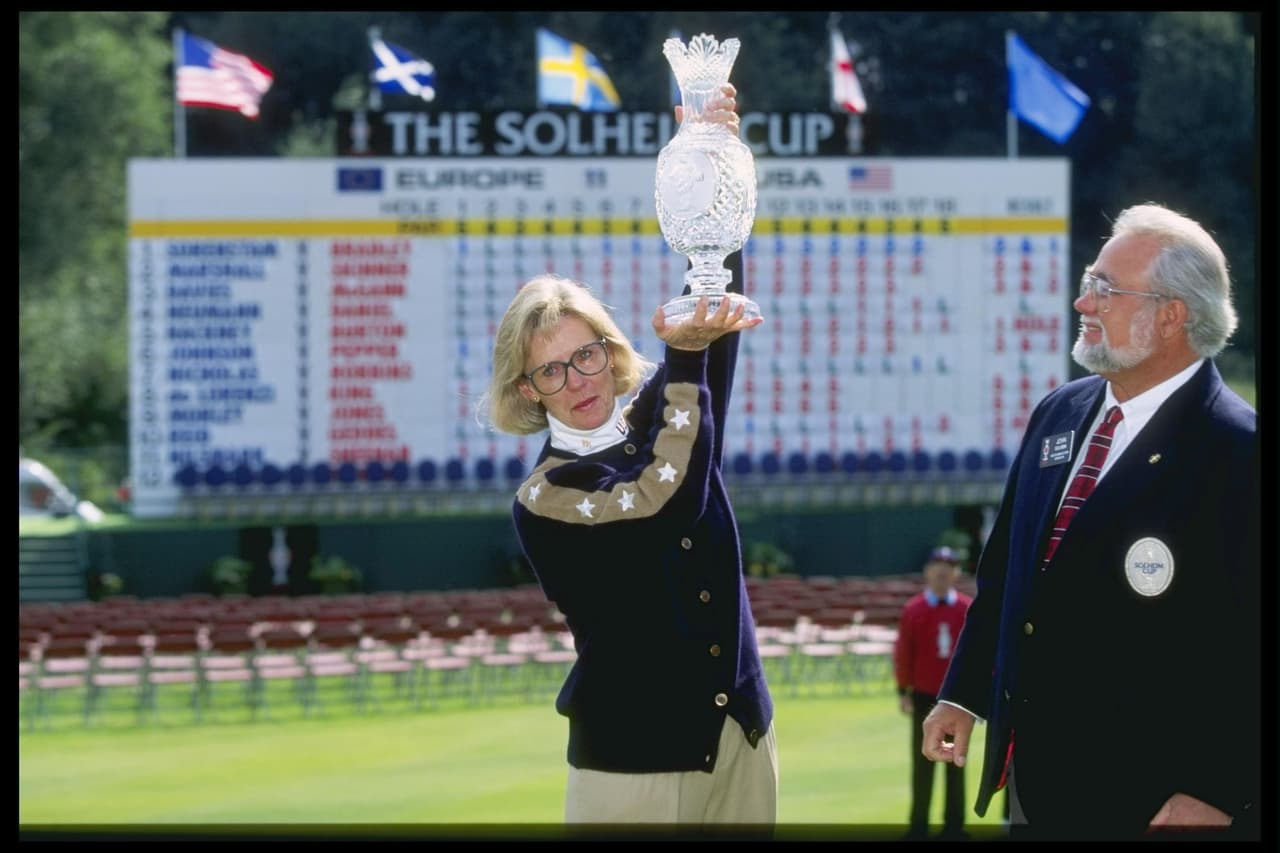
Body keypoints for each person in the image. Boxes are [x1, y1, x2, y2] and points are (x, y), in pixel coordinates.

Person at [484, 87, 778, 828]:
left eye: (586, 355)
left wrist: (713, 166)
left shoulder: (667, 409)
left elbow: (710, 304)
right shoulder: (543, 497)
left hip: (741, 737)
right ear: (527, 390)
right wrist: (686, 358)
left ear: (610, 349)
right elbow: (661, 504)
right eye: (551, 370)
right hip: (630, 764)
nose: (578, 381)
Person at [920, 202, 1259, 840]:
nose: (1083, 303)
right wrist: (963, 693)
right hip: (1037, 785)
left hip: (1158, 801)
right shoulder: (1058, 412)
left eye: (1106, 289)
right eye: (1087, 283)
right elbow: (1007, 578)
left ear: (1171, 316)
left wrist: (1218, 787)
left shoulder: (1238, 452)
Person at [894, 545, 972, 840]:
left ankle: (954, 825)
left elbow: (975, 653)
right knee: (923, 762)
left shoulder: (965, 608)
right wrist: (903, 690)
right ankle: (919, 825)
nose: (942, 572)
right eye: (937, 566)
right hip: (925, 695)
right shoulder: (914, 609)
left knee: (957, 760)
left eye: (948, 566)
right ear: (927, 572)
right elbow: (904, 652)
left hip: (957, 697)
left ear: (956, 573)